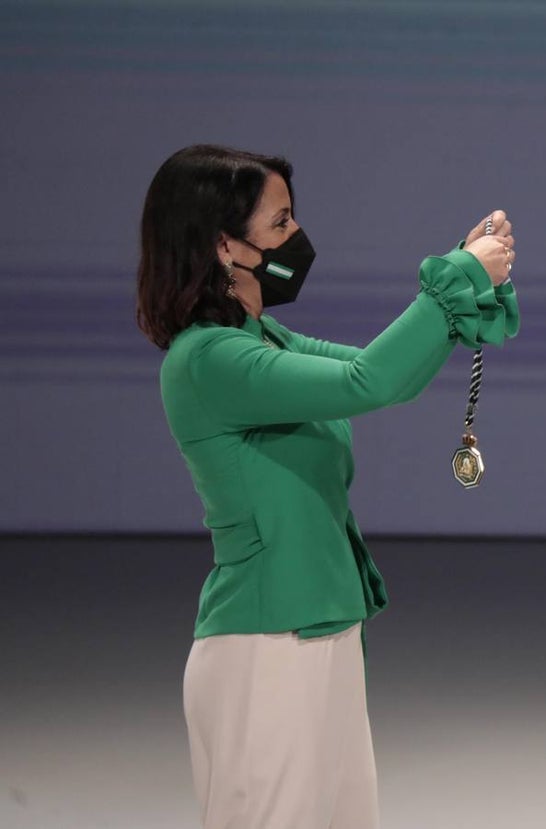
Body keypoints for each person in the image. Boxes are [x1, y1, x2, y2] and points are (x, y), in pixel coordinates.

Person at [135, 144, 519, 829]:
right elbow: (368, 382)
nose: (296, 238)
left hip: (318, 636)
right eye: (280, 223)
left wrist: (465, 274)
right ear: (225, 245)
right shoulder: (210, 360)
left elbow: (382, 369)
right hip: (265, 645)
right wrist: (459, 275)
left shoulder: (263, 337)